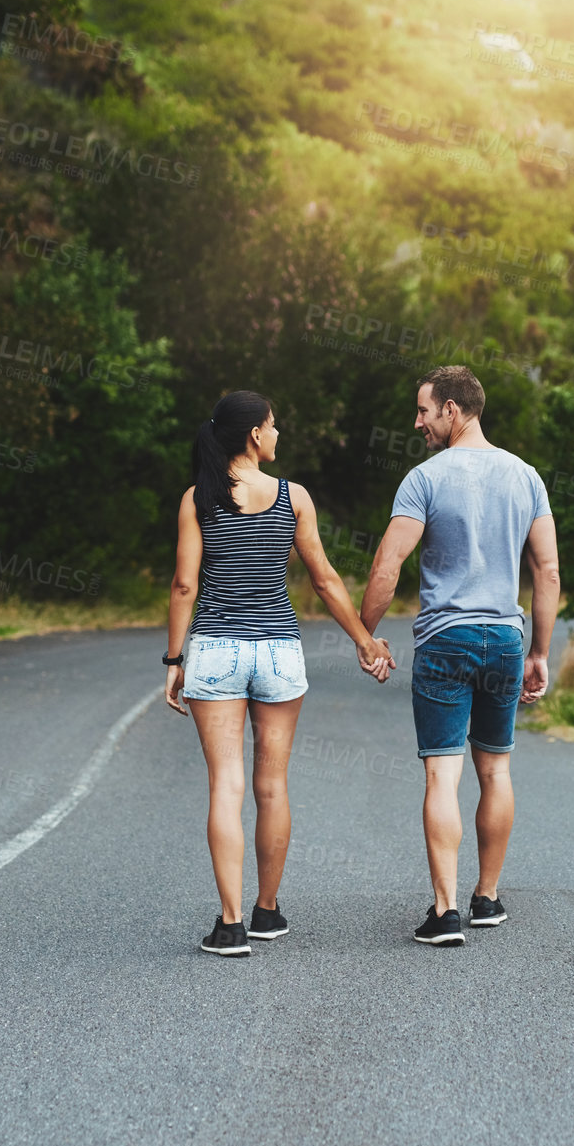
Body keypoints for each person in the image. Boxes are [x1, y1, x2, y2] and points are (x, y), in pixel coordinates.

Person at [165, 390, 393, 957]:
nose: (277, 435)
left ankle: (231, 924)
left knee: (227, 785)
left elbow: (185, 586)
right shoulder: (293, 497)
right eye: (273, 426)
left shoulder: (199, 498)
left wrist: (175, 659)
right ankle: (267, 910)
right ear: (253, 436)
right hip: (279, 654)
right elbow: (324, 579)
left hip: (216, 651)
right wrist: (365, 642)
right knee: (272, 785)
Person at [360, 366, 560, 946]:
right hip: (503, 638)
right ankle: (487, 898)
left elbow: (387, 566)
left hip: (446, 638)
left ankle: (446, 912)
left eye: (424, 411)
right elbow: (546, 570)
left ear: (453, 409)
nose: (417, 422)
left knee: (441, 774)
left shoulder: (424, 479)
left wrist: (367, 636)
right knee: (494, 768)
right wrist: (539, 652)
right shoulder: (527, 478)